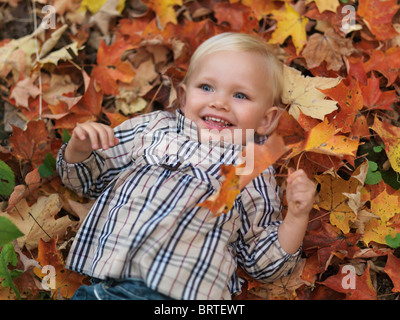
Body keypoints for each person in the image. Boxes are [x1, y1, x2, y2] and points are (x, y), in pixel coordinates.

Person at [56, 32, 316, 300]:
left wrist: (296, 218)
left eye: (240, 95)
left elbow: (260, 260)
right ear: (183, 96)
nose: (219, 102)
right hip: (108, 284)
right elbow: (88, 182)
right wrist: (81, 147)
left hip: (182, 291)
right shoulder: (153, 128)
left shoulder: (249, 165)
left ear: (265, 120)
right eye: (206, 87)